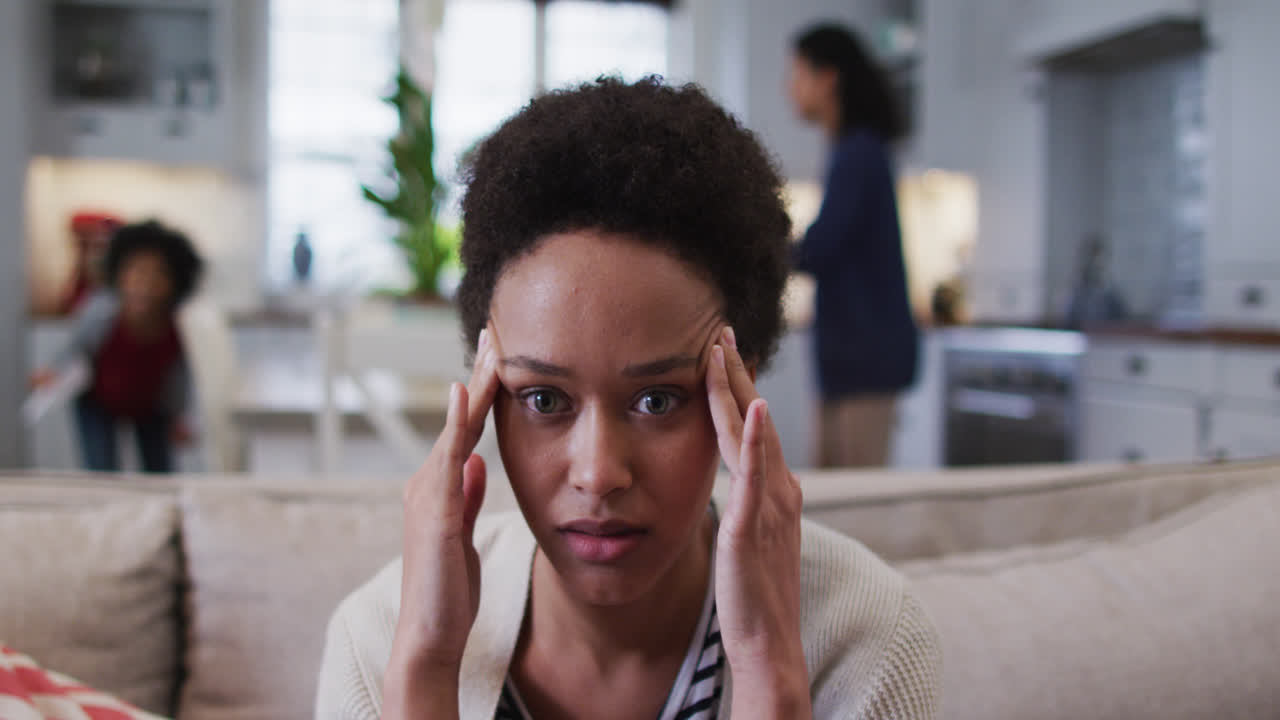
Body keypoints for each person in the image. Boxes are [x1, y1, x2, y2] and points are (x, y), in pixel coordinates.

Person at [316, 78, 940, 720]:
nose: (598, 474)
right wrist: (424, 667)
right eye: (544, 400)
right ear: (486, 396)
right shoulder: (377, 644)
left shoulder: (868, 644)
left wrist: (769, 670)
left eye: (657, 402)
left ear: (739, 395)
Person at [788, 24, 920, 468]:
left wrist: (754, 245)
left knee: (856, 494)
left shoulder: (858, 152)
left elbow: (821, 247)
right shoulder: (851, 150)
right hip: (854, 361)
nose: (790, 88)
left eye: (797, 73)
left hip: (865, 362)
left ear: (828, 78)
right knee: (838, 489)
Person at [33, 220, 203, 473]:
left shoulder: (178, 325)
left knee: (160, 472)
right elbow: (74, 348)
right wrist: (53, 373)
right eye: (137, 272)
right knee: (101, 469)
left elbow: (179, 376)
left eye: (159, 274)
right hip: (97, 402)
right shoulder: (101, 311)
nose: (146, 284)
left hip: (150, 405)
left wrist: (181, 417)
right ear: (119, 273)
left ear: (175, 282)